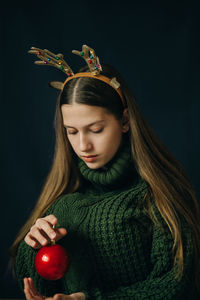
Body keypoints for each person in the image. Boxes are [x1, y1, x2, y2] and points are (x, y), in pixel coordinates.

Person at [9, 45, 200, 300]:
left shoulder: (160, 194)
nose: (82, 145)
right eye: (72, 131)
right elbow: (42, 286)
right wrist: (33, 248)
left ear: (124, 121)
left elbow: (176, 286)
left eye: (96, 129)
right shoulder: (63, 203)